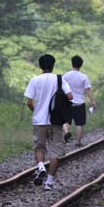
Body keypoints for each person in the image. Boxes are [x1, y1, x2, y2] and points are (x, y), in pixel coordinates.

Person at [24, 54, 73, 191]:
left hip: (39, 121)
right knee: (55, 152)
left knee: (40, 147)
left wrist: (36, 111)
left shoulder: (34, 80)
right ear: (53, 65)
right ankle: (49, 183)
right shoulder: (59, 79)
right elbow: (70, 96)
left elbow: (29, 102)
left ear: (40, 66)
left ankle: (40, 167)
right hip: (55, 121)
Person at [62, 55, 95, 148]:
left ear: (72, 63)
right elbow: (88, 90)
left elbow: (61, 87)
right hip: (79, 103)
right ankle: (78, 142)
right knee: (79, 124)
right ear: (81, 64)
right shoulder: (83, 77)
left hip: (68, 102)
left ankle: (66, 131)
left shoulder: (66, 75)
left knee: (65, 121)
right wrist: (92, 101)